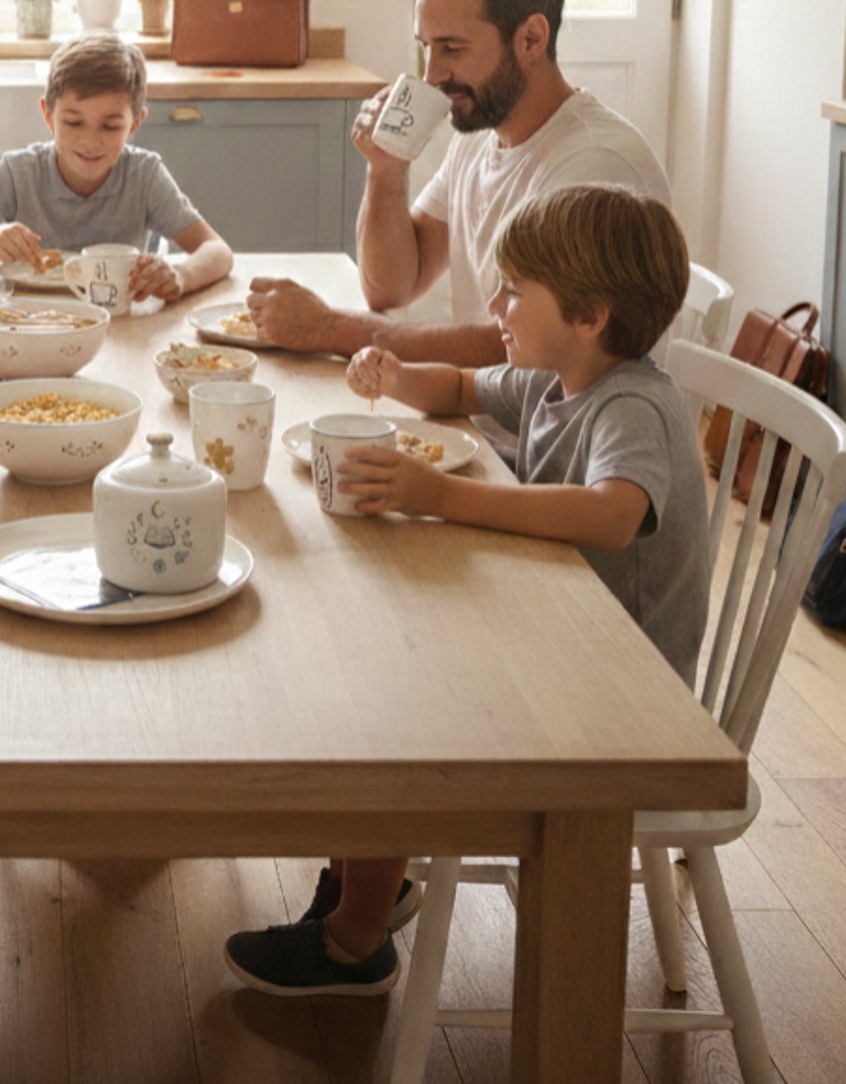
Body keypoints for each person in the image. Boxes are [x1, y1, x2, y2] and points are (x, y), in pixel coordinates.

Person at [223, 183, 709, 997]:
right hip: (558, 636)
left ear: (590, 315)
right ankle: (365, 876)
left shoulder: (632, 405)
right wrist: (389, 369)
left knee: (401, 705)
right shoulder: (560, 378)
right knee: (378, 647)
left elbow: (612, 513)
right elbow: (456, 389)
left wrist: (441, 495)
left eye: (516, 290)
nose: (496, 305)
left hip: (620, 700)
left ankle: (354, 941)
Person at [248, 0, 669, 363]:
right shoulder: (479, 139)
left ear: (531, 40)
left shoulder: (595, 166)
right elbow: (392, 286)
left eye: (452, 47)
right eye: (427, 48)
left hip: (551, 431)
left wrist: (330, 329)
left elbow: (522, 351)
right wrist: (386, 168)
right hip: (484, 417)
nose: (432, 75)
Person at [0, 31, 233, 300]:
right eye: (73, 122)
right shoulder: (19, 172)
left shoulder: (143, 175)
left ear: (135, 124)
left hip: (116, 327)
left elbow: (218, 251)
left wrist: (180, 274)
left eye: (109, 127)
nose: (90, 141)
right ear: (48, 115)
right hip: (30, 327)